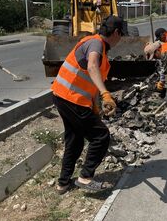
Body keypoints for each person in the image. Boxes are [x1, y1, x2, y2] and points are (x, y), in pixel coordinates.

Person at [51, 15, 124, 194]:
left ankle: (63, 183)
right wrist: (106, 94)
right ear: (115, 32)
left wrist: (96, 106)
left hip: (63, 96)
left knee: (74, 140)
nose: (120, 39)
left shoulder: (98, 46)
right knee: (101, 136)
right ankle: (85, 177)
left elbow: (89, 82)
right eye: (121, 35)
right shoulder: (96, 44)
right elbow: (92, 67)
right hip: (72, 99)